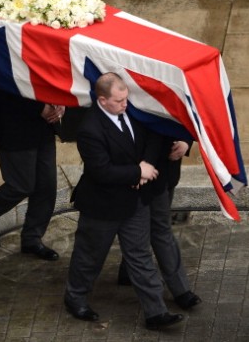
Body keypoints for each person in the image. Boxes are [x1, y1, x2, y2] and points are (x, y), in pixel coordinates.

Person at [64, 72, 184, 331]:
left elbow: (151, 138)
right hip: (102, 206)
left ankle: (156, 312)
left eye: (126, 98)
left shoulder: (132, 112)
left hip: (134, 201)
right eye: (119, 101)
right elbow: (101, 170)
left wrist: (147, 166)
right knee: (90, 256)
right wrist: (137, 172)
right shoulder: (89, 129)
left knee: (140, 256)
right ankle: (75, 298)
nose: (125, 104)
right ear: (103, 100)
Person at [0, 89, 65, 261]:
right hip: (15, 125)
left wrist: (60, 102)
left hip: (43, 127)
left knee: (46, 186)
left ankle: (32, 239)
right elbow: (7, 83)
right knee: (20, 184)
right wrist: (39, 107)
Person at [117, 136, 202, 310]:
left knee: (154, 226)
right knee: (159, 229)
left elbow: (186, 112)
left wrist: (186, 142)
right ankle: (180, 290)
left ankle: (128, 269)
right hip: (139, 169)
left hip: (165, 169)